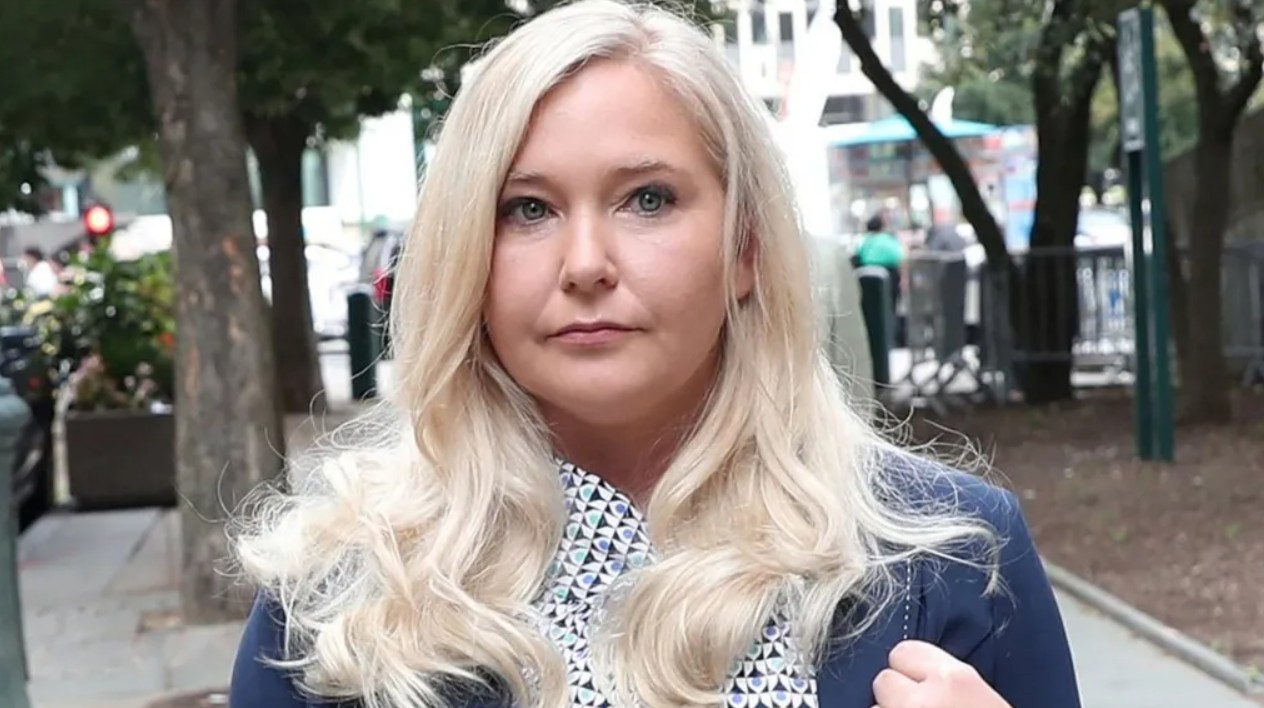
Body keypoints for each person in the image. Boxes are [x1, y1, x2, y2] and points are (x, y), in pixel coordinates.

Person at [228, 2, 1080, 707]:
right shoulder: (339, 595)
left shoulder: (950, 561)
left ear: (745, 246)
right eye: (527, 209)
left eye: (647, 199)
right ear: (466, 259)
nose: (585, 264)